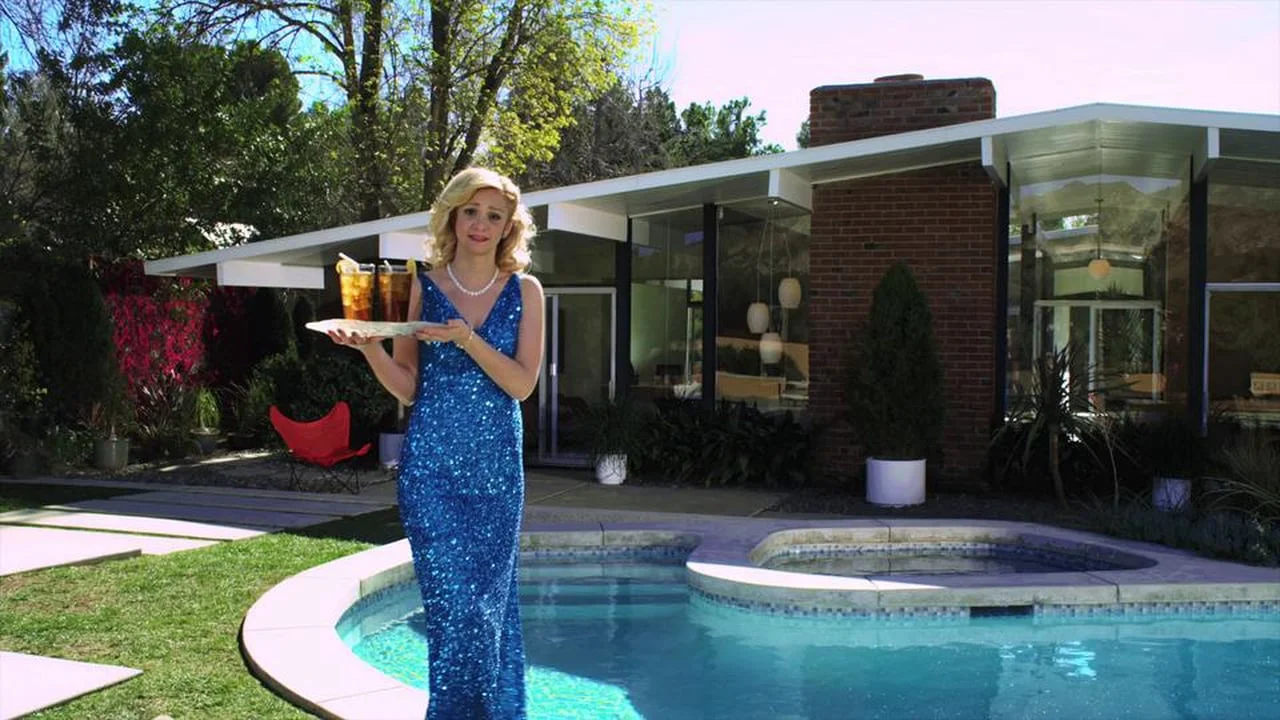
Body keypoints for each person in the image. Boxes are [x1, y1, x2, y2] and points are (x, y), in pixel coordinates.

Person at [328, 167, 544, 719]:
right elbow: (409, 387)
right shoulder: (423, 288)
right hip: (431, 473)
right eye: (471, 211)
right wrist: (370, 348)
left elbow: (522, 385)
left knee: (487, 611)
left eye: (493, 215)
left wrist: (467, 340)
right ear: (453, 215)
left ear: (508, 227)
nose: (480, 224)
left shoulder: (526, 291)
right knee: (454, 610)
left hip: (496, 475)